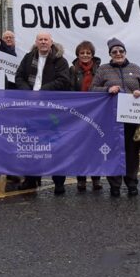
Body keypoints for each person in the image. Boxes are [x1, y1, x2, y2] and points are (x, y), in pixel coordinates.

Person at [91, 38, 140, 197]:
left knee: (132, 151)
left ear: (125, 52)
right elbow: (93, 89)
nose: (118, 54)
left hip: (131, 118)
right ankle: (115, 185)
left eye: (121, 51)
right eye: (114, 52)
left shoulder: (135, 68)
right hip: (110, 118)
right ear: (110, 54)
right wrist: (107, 89)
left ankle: (132, 183)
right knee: (113, 151)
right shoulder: (103, 69)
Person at [14, 31, 71, 192]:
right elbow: (19, 77)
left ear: (51, 42)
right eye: (41, 39)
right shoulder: (28, 58)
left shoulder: (60, 60)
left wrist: (42, 91)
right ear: (36, 42)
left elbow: (63, 80)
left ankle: (59, 182)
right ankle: (31, 179)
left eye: (46, 39)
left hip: (52, 108)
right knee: (31, 145)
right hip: (31, 107)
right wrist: (29, 92)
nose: (43, 42)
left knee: (56, 146)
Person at [69, 40, 102, 192]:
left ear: (92, 54)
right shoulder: (72, 70)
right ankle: (81, 179)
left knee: (95, 147)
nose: (85, 55)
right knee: (79, 147)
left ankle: (96, 179)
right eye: (82, 53)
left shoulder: (100, 70)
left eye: (88, 53)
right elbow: (69, 90)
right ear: (77, 54)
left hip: (96, 112)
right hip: (78, 113)